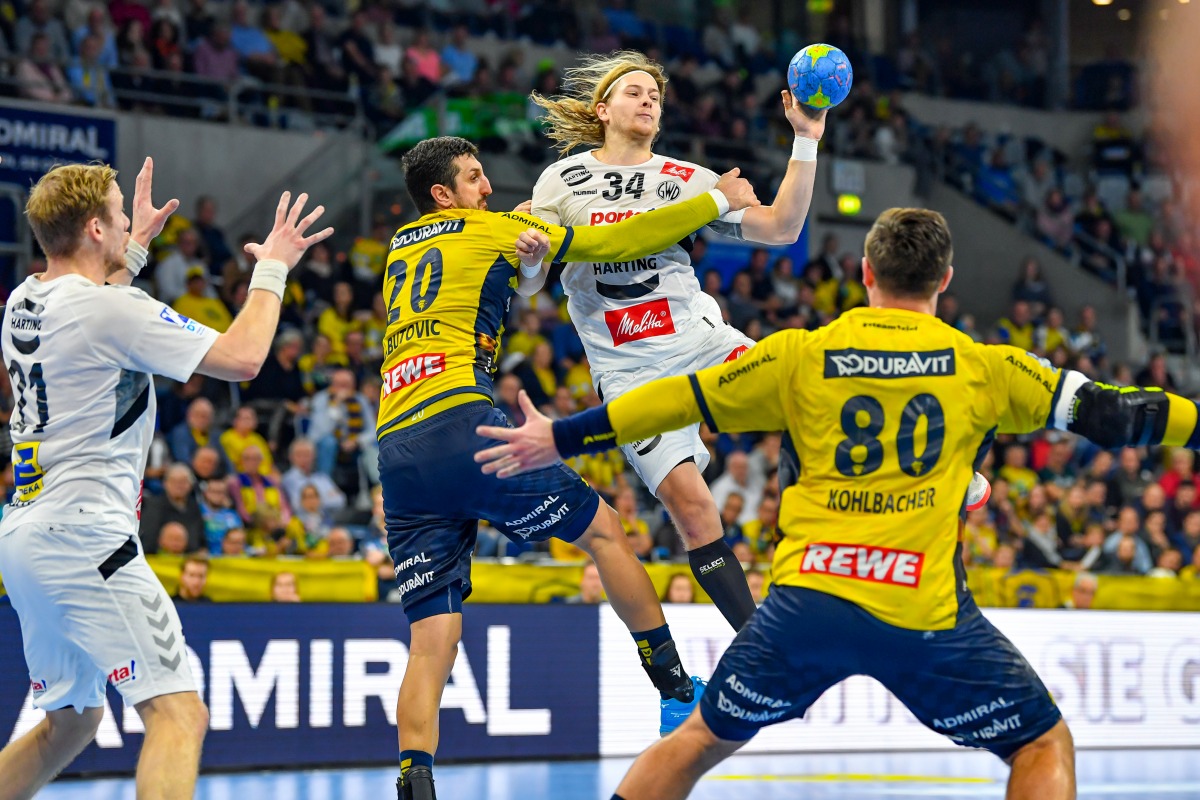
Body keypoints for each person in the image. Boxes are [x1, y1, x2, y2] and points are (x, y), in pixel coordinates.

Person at [474, 207, 1200, 800]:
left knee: (696, 742)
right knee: (1042, 743)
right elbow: (1118, 413)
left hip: (807, 604)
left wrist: (559, 437)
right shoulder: (988, 368)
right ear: (945, 279)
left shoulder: (800, 354)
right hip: (921, 610)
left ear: (866, 274)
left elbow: (670, 399)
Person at [379, 135, 758, 800]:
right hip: (462, 424)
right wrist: (714, 201)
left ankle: (415, 781)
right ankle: (675, 690)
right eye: (474, 178)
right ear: (442, 194)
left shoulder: (397, 249)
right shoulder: (491, 229)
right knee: (606, 532)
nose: (488, 188)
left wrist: (526, 250)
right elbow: (616, 243)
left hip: (396, 447)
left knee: (431, 638)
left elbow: (494, 278)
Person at [0, 157, 331, 799]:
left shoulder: (24, 299)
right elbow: (243, 358)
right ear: (95, 229)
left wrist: (135, 249)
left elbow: (96, 304)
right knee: (179, 715)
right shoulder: (112, 310)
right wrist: (273, 267)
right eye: (120, 214)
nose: (130, 220)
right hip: (86, 537)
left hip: (25, 536)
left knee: (72, 722)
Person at [528, 50, 827, 635]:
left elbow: (782, 228)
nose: (648, 100)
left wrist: (806, 140)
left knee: (806, 386)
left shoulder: (688, 179)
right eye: (634, 91)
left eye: (655, 96)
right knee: (692, 511)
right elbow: (531, 282)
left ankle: (935, 472)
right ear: (602, 110)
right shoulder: (561, 180)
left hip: (698, 341)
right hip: (628, 371)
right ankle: (759, 644)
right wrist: (532, 256)